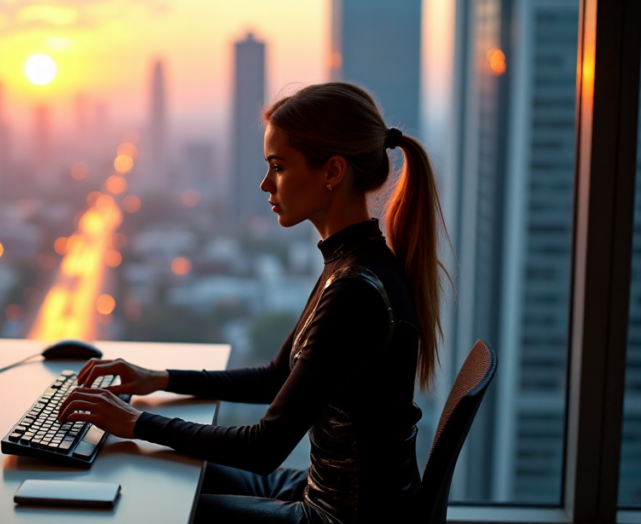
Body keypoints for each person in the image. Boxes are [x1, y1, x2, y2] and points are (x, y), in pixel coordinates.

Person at [57, 82, 450, 523]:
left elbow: (264, 448)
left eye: (278, 167)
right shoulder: (352, 262)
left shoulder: (357, 289)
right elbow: (275, 379)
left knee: (148, 506)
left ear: (332, 172)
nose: (266, 184)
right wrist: (157, 378)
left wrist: (134, 423)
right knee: (157, 467)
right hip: (325, 491)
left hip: (342, 517)